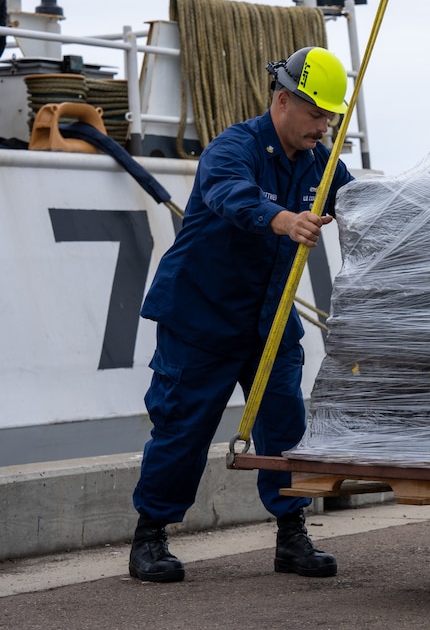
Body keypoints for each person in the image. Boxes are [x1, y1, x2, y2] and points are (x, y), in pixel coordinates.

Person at [128, 46, 356, 583]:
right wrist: (282, 220)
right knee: (182, 428)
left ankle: (291, 536)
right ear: (283, 101)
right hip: (200, 319)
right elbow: (230, 194)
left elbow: (364, 202)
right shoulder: (233, 148)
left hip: (268, 321)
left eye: (331, 116)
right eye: (317, 114)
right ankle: (150, 537)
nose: (324, 126)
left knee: (286, 428)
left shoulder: (322, 162)